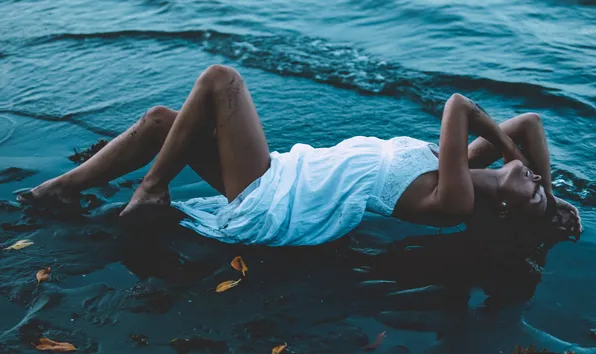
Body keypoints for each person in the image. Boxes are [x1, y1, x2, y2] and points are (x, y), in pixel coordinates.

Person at [18, 65, 582, 246]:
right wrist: (549, 195)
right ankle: (60, 190)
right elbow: (530, 123)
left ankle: (148, 190)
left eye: (529, 190)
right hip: (286, 172)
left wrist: (519, 164)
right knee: (167, 122)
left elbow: (459, 104)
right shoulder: (468, 169)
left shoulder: (456, 196)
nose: (529, 178)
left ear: (503, 209)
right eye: (534, 181)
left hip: (277, 199)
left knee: (221, 81)